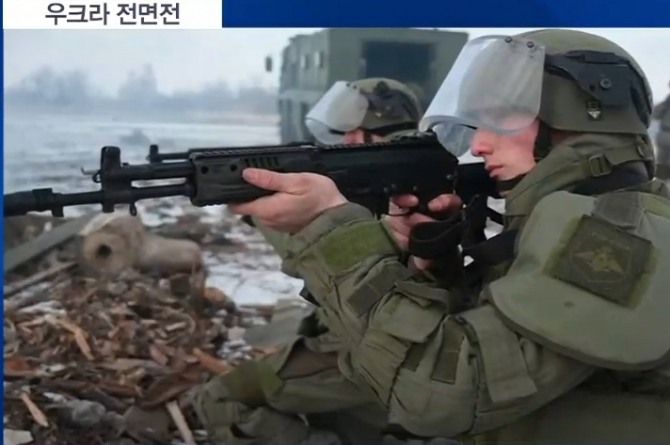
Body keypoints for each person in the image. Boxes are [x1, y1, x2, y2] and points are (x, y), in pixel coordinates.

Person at [199, 28, 670, 443]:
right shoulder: (567, 217)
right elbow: (488, 349)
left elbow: (441, 397)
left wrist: (332, 230)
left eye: (504, 117)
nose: (479, 143)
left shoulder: (617, 236)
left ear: (583, 115)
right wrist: (434, 269)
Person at [194, 77, 425, 444]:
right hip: (405, 350)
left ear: (358, 133)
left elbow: (306, 252)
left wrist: (262, 209)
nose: (344, 141)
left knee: (219, 400)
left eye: (349, 133)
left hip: (371, 349)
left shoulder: (385, 185)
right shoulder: (420, 171)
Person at [652, 81, 670, 179]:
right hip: (665, 135)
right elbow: (655, 114)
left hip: (665, 135)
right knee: (661, 165)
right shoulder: (667, 102)